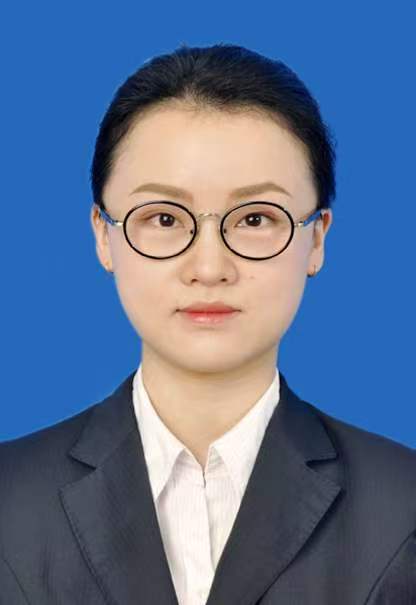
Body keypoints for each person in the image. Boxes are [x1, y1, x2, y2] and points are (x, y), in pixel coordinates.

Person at [0, 43, 415, 605]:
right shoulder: (9, 501)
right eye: (164, 218)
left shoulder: (403, 508)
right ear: (103, 234)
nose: (210, 267)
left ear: (316, 239)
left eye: (256, 219)